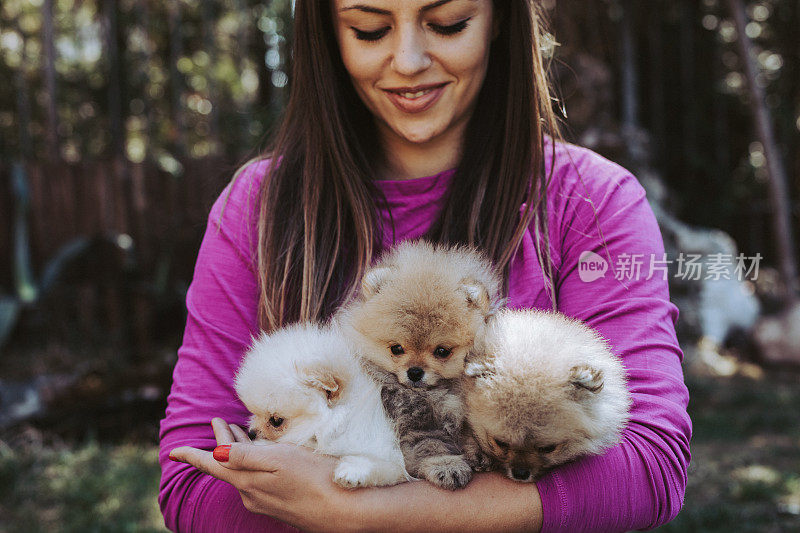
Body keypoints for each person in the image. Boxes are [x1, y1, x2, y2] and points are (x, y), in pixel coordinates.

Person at [162, 0, 691, 531]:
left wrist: (357, 509)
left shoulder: (592, 202)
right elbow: (192, 478)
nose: (409, 60)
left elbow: (649, 470)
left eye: (448, 23)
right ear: (328, 33)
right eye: (370, 30)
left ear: (500, 19)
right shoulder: (260, 205)